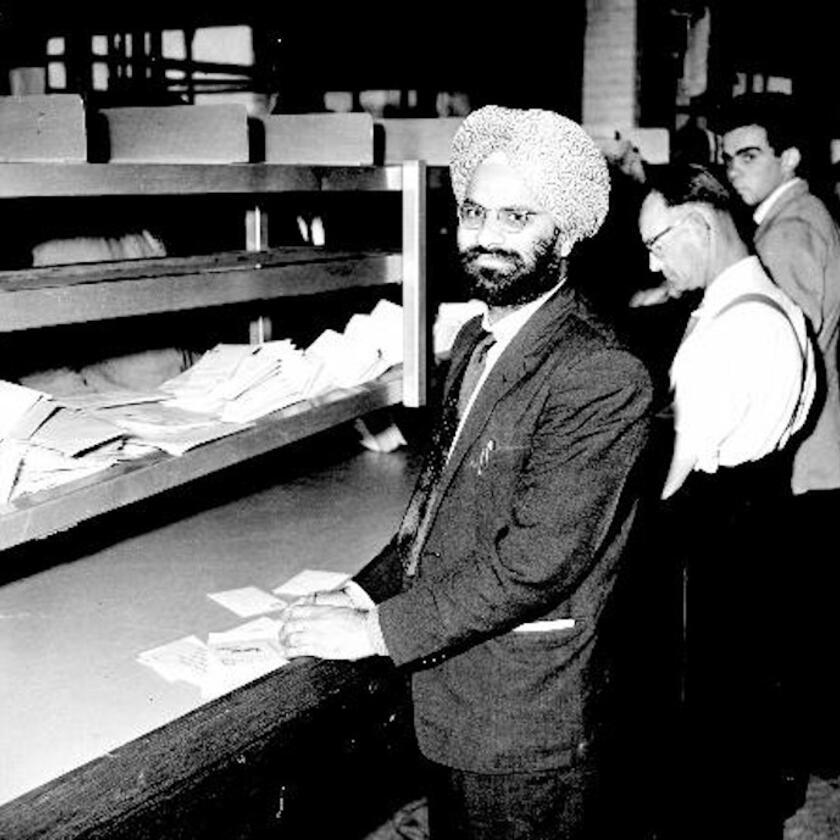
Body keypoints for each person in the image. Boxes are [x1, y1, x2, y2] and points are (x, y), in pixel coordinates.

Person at [277, 105, 657, 840]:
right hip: (460, 697)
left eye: (517, 217)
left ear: (570, 233)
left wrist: (374, 631)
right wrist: (362, 586)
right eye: (475, 211)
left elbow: (535, 560)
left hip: (524, 715)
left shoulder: (600, 373)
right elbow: (437, 508)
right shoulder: (480, 342)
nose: (485, 236)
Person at [638, 162, 816, 838]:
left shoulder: (727, 334)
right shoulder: (775, 309)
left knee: (706, 749)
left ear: (701, 228)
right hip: (758, 538)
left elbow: (670, 479)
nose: (653, 263)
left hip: (711, 563)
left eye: (657, 244)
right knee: (744, 737)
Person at [719, 92, 840, 778]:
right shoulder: (798, 216)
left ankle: (789, 770)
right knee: (808, 624)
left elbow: (777, 359)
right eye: (728, 155)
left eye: (750, 154)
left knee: (791, 630)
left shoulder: (788, 231)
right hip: (823, 454)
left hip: (803, 464)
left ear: (789, 157)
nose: (735, 168)